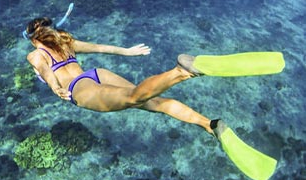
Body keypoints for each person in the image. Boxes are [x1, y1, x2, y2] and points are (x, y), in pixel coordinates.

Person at [24, 16, 215, 134]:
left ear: (33, 39)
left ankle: (180, 72)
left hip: (78, 88)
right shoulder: (66, 43)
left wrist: (55, 87)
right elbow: (100, 48)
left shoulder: (35, 54)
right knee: (153, 102)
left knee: (134, 98)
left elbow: (45, 71)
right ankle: (208, 124)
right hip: (97, 74)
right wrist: (127, 51)